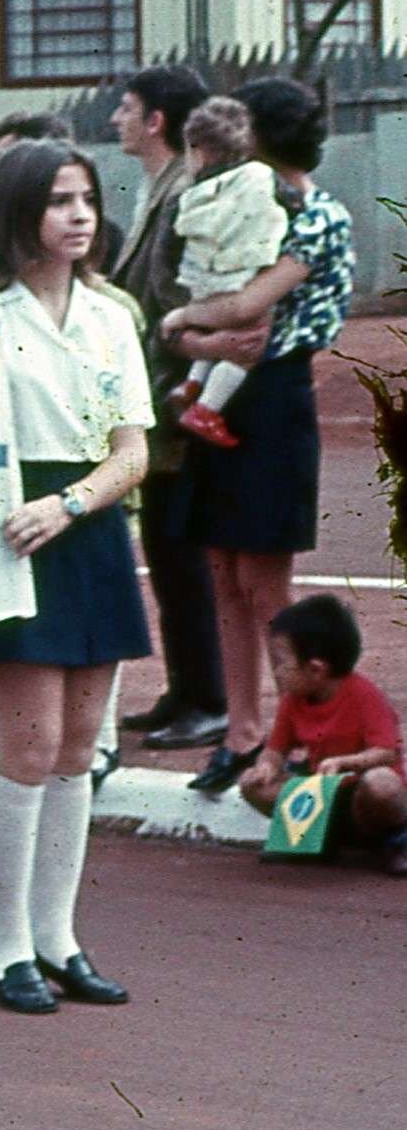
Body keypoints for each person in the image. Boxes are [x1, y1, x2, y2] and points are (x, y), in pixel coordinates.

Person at [0, 140, 150, 1015]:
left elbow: (131, 451)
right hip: (12, 530)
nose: (78, 216)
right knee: (28, 748)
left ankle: (56, 936)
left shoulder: (112, 317)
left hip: (85, 525)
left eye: (85, 200)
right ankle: (3, 946)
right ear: (17, 213)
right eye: (57, 201)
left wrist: (71, 506)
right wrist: (26, 510)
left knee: (80, 751)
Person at [162, 77, 355, 797]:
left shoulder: (312, 215)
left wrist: (183, 326)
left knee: (263, 583)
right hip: (226, 388)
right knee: (222, 574)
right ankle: (242, 734)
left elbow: (246, 305)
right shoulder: (246, 205)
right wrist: (197, 333)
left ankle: (289, 738)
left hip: (272, 397)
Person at [101, 64, 222, 752]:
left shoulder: (182, 192)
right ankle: (185, 690)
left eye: (125, 108)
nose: (115, 118)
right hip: (157, 398)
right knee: (168, 554)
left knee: (181, 555)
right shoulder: (159, 187)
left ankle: (203, 695)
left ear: (154, 121)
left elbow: (173, 299)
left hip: (174, 399)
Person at [237, 596, 407, 874]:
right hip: (323, 795)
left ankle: (398, 838)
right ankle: (316, 838)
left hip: (360, 794)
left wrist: (347, 763)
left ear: (316, 669)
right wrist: (267, 765)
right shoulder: (293, 701)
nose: (277, 671)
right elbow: (276, 748)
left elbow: (386, 751)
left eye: (282, 663)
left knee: (382, 784)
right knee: (251, 784)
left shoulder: (363, 695)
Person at [165, 97, 293, 451]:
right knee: (245, 347)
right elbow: (287, 206)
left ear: (199, 149)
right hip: (239, 277)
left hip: (199, 278)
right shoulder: (258, 177)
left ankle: (190, 384)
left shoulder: (191, 192)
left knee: (214, 329)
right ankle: (206, 408)